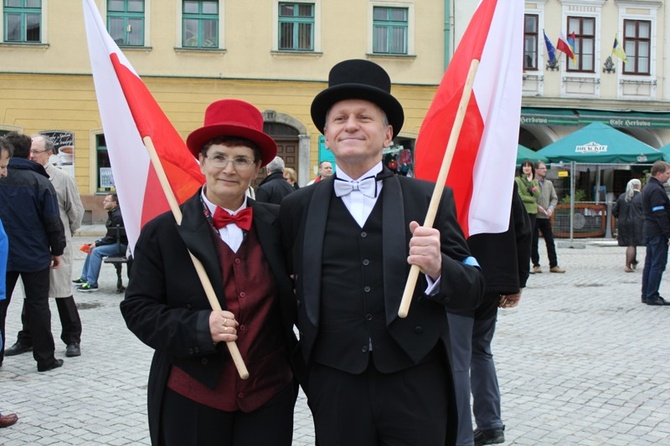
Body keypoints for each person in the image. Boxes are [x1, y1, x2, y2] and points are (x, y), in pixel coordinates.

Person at [279, 59, 484, 445]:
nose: (351, 125)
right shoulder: (296, 207)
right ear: (326, 132)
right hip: (335, 381)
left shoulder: (428, 199)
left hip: (415, 376)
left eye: (364, 117)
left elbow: (473, 288)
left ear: (388, 133)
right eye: (339, 118)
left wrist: (439, 267)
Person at [120, 99, 298, 446]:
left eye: (241, 159)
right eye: (219, 157)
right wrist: (200, 326)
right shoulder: (164, 230)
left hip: (268, 394)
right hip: (193, 395)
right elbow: (138, 308)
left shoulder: (281, 224)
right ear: (201, 161)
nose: (228, 169)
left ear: (258, 168)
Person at [447, 182, 532, 446]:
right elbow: (523, 231)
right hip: (491, 280)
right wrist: (517, 281)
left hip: (459, 278)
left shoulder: (451, 176)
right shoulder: (502, 177)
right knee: (480, 351)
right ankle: (490, 424)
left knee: (459, 358)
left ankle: (461, 436)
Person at [5, 135, 84, 359]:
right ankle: (27, 338)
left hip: (57, 243)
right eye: (30, 152)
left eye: (36, 152)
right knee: (33, 296)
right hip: (35, 245)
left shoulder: (60, 178)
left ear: (49, 154)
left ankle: (72, 338)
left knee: (61, 292)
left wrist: (64, 235)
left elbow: (75, 212)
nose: (32, 155)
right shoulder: (20, 175)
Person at [0, 133, 65, 372]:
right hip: (34, 253)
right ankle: (45, 358)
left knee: (0, 306)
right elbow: (52, 220)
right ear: (29, 153)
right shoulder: (40, 181)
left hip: (3, 255)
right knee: (38, 306)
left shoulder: (5, 176)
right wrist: (56, 250)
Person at [73, 193, 127, 292]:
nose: (103, 202)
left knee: (96, 251)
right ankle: (84, 277)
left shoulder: (117, 216)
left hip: (122, 246)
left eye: (106, 201)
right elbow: (111, 236)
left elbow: (113, 237)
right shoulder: (113, 213)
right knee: (92, 248)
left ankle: (92, 283)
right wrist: (98, 242)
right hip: (117, 243)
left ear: (114, 203)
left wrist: (98, 243)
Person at [641, 160, 670, 306]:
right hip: (657, 230)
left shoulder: (648, 187)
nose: (668, 177)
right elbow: (660, 213)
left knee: (650, 263)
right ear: (659, 173)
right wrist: (668, 233)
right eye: (667, 173)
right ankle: (652, 295)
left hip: (650, 229)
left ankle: (646, 294)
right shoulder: (656, 190)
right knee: (657, 264)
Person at [531, 161, 565, 274]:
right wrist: (535, 206)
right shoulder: (531, 183)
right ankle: (536, 264)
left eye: (545, 168)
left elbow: (554, 198)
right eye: (542, 168)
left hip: (545, 216)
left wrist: (551, 208)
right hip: (534, 216)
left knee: (550, 241)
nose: (545, 170)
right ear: (536, 170)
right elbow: (527, 198)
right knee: (533, 241)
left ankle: (554, 264)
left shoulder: (549, 184)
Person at [613, 178, 644, 273]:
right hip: (637, 223)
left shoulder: (622, 196)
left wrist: (620, 217)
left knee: (632, 243)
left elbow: (614, 210)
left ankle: (633, 261)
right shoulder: (642, 197)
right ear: (639, 186)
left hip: (623, 222)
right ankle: (627, 265)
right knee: (632, 243)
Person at [514, 160, 540, 273]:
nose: (527, 168)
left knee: (532, 238)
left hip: (533, 212)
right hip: (523, 211)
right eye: (525, 166)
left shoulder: (534, 181)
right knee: (523, 238)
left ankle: (534, 263)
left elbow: (538, 194)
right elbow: (520, 196)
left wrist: (530, 183)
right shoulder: (518, 180)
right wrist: (532, 199)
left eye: (529, 166)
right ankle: (522, 264)